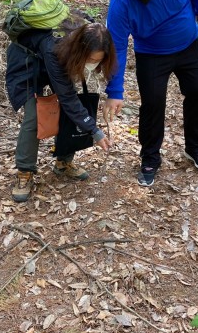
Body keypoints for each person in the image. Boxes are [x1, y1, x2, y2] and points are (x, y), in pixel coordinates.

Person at [104, 0, 198, 187]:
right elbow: (117, 48)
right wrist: (115, 91)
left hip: (189, 44)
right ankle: (150, 158)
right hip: (151, 54)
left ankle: (196, 148)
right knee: (153, 104)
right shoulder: (121, 4)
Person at [6, 13, 116, 202]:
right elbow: (67, 97)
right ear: (81, 51)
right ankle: (25, 171)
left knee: (70, 110)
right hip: (26, 63)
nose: (93, 64)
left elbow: (70, 100)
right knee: (35, 115)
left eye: (97, 60)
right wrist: (94, 131)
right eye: (90, 59)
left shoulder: (87, 31)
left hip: (58, 57)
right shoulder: (54, 48)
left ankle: (64, 162)